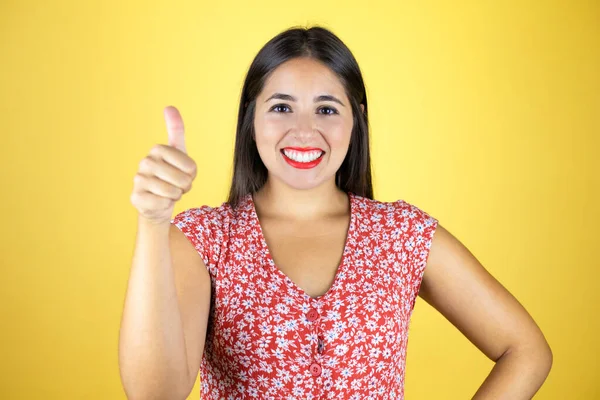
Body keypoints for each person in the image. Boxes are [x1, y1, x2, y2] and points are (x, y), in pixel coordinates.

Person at [120, 26, 553, 400]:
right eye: (281, 107)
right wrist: (153, 223)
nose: (304, 130)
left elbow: (526, 350)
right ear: (251, 120)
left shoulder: (401, 236)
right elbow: (155, 393)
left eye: (327, 109)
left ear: (355, 120)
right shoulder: (205, 239)